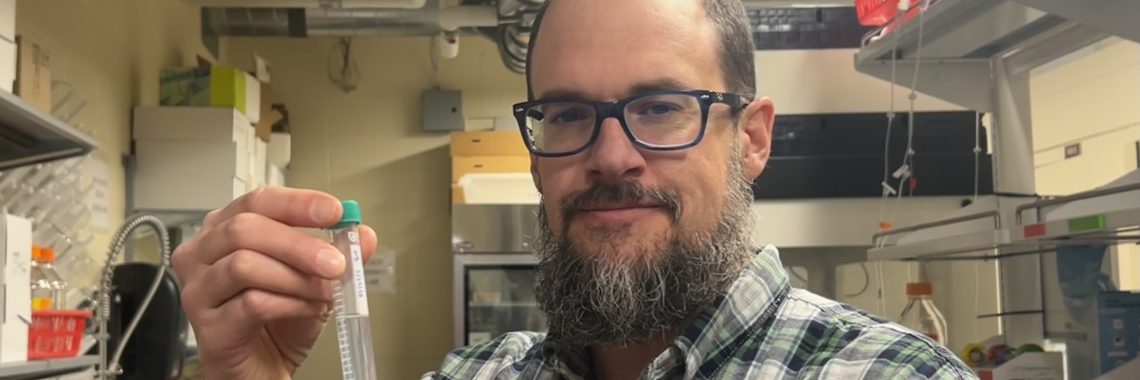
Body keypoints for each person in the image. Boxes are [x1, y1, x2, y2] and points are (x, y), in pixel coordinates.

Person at [172, 0, 976, 378]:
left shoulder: (891, 376)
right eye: (567, 115)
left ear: (753, 137)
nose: (611, 155)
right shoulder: (471, 378)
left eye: (662, 108)